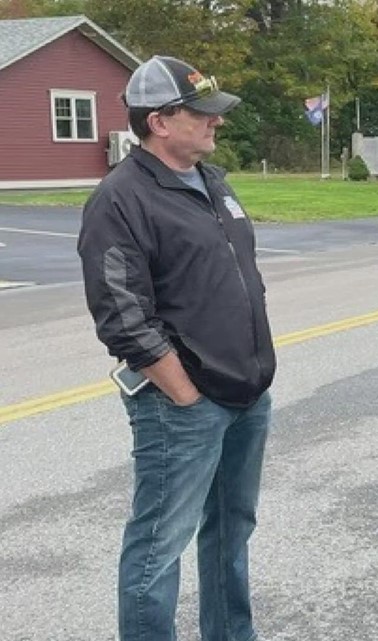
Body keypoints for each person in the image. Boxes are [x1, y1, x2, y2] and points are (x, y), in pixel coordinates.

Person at [77, 55, 276, 640]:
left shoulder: (213, 182)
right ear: (160, 122)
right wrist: (184, 392)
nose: (216, 123)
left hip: (246, 391)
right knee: (158, 544)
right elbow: (121, 314)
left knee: (230, 530)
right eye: (203, 114)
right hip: (182, 403)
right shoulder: (121, 198)